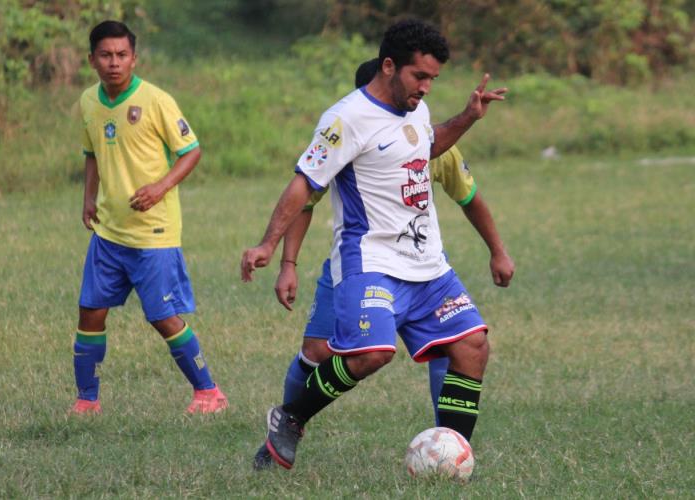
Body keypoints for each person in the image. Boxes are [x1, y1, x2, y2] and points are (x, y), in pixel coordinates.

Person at [241, 19, 513, 470]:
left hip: (427, 264)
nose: (426, 87)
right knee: (371, 353)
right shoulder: (345, 119)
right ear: (389, 66)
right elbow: (302, 186)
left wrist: (466, 118)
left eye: (432, 79)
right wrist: (270, 246)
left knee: (472, 346)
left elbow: (424, 148)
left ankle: (453, 455)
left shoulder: (415, 110)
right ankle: (289, 418)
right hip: (370, 259)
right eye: (419, 76)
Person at [71, 20, 227, 415]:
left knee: (162, 317)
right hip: (109, 231)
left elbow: (191, 151)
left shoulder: (157, 101)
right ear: (92, 59)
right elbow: (92, 154)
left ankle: (209, 392)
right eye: (105, 55)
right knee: (90, 312)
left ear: (134, 58)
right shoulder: (89, 101)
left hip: (154, 234)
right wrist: (89, 199)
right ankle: (87, 401)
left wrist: (159, 187)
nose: (114, 63)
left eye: (122, 55)